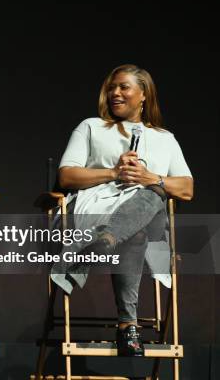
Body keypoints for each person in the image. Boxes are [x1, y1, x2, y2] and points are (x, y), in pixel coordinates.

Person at [51, 64, 193, 356]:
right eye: (112, 87)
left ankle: (109, 239)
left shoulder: (164, 138)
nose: (115, 93)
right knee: (137, 231)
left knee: (154, 192)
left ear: (143, 95)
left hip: (139, 214)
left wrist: (150, 177)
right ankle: (128, 326)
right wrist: (114, 172)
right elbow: (66, 177)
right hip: (92, 211)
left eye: (123, 87)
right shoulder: (91, 126)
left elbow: (187, 189)